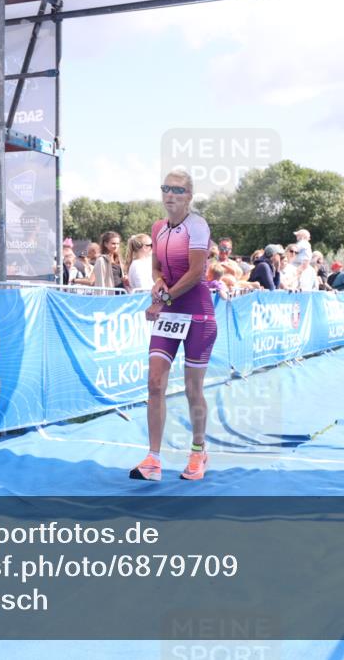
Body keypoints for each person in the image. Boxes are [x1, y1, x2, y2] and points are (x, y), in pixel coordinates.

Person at [130, 169, 217, 482]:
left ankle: (198, 451)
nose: (170, 194)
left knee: (193, 389)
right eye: (166, 188)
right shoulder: (157, 228)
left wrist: (163, 299)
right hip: (169, 311)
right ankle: (153, 459)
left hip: (197, 315)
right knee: (155, 382)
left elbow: (195, 273)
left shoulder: (197, 225)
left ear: (189, 196)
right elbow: (157, 268)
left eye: (178, 190)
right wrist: (158, 283)